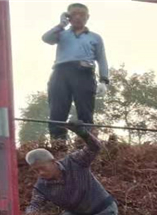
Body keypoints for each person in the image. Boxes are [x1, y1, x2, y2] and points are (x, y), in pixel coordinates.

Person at [25, 122, 117, 215]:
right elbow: (35, 205)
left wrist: (82, 133)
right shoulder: (41, 186)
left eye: (42, 168)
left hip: (101, 212)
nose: (40, 173)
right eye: (36, 171)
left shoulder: (74, 162)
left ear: (53, 162)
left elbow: (95, 147)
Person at [41, 3, 109, 141]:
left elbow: (102, 59)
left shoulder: (95, 37)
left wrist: (104, 80)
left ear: (87, 17)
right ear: (68, 16)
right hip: (61, 73)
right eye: (74, 14)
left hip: (84, 73)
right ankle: (59, 146)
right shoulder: (61, 34)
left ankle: (87, 147)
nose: (78, 17)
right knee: (57, 112)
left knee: (85, 113)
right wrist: (61, 24)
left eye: (82, 14)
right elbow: (46, 39)